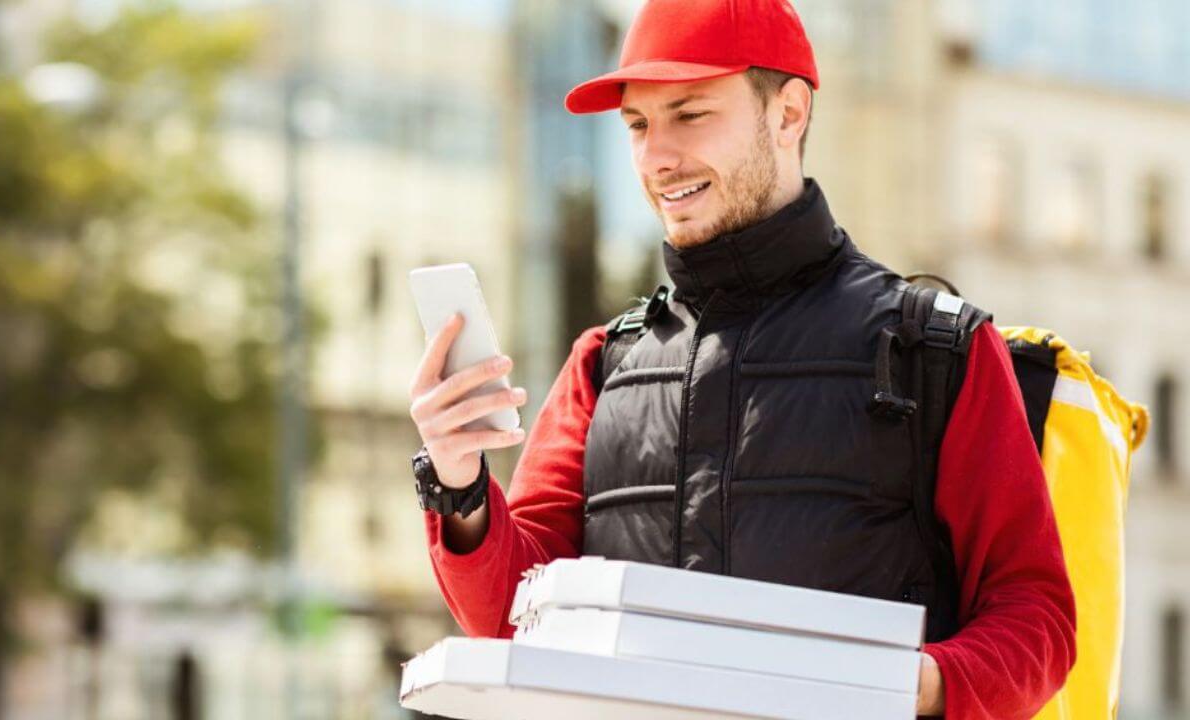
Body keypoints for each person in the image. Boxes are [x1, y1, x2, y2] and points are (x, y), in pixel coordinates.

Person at [406, 1, 1076, 717]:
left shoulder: (936, 348)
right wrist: (461, 484)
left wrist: (908, 684)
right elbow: (516, 618)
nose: (657, 156)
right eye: (638, 126)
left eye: (690, 114)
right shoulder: (603, 364)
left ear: (788, 114)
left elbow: (1038, 621)